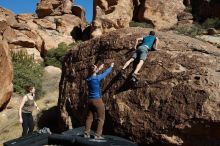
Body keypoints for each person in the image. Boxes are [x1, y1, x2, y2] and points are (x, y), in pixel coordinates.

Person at [84, 63, 114, 139]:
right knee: (101, 118)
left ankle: (86, 133)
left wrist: (99, 68)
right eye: (96, 68)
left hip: (90, 100)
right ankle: (97, 135)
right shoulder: (97, 78)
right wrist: (111, 67)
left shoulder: (88, 78)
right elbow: (106, 73)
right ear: (94, 70)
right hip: (97, 101)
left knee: (89, 118)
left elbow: (93, 72)